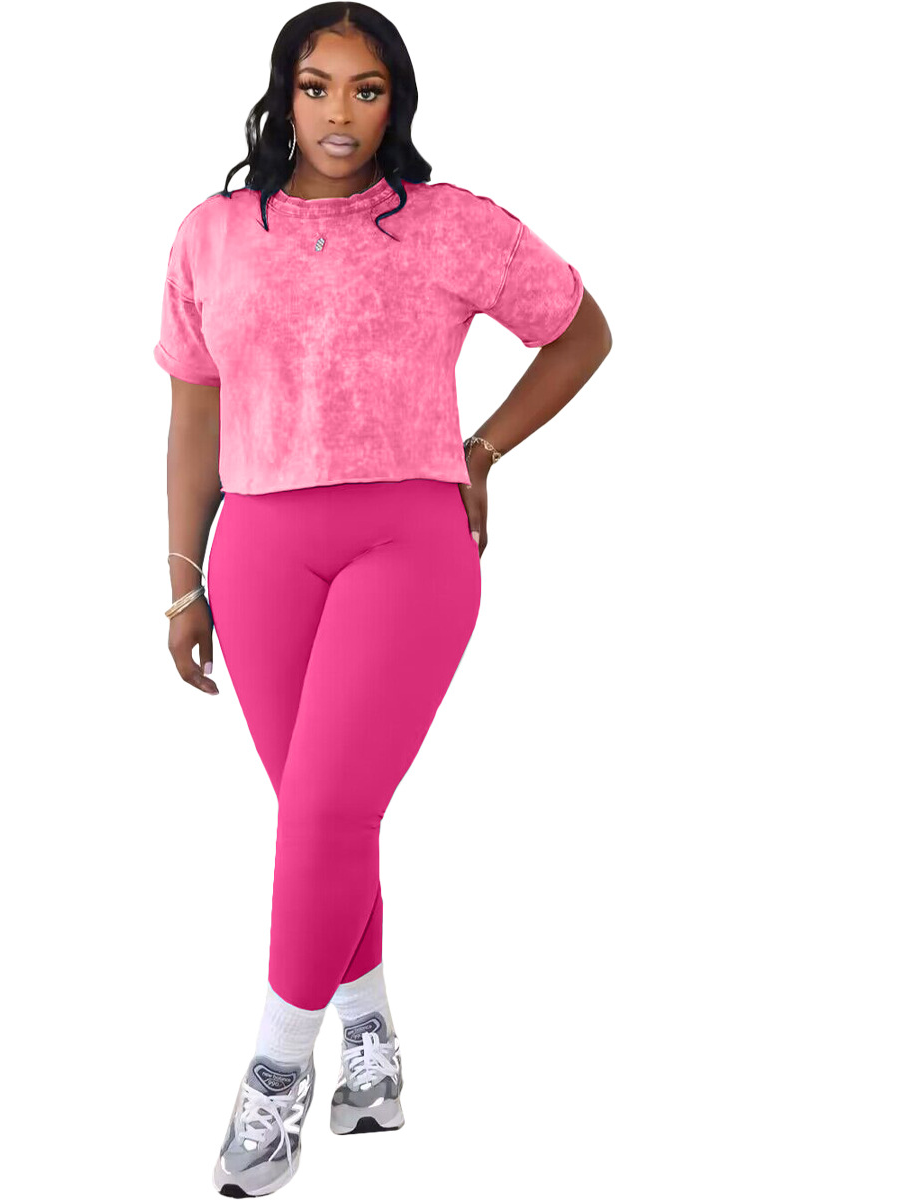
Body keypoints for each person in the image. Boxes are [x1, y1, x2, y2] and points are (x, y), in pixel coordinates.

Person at [153, 6, 612, 1194]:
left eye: (367, 89)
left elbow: (581, 332)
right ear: (283, 95)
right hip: (257, 550)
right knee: (324, 817)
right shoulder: (213, 234)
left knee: (323, 812)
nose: (340, 113)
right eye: (317, 86)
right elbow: (194, 410)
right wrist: (181, 576)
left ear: (396, 100)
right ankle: (373, 1049)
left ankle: (273, 1079)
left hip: (408, 543)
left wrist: (484, 451)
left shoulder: (452, 223)